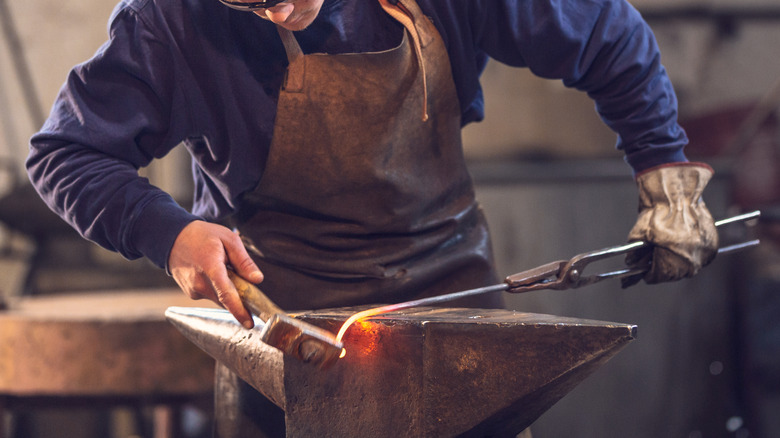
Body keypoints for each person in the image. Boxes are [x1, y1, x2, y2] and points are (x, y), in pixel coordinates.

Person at [26, 0, 718, 330]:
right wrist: (165, 231)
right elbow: (65, 153)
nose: (284, 11)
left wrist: (664, 177)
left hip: (452, 288)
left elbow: (610, 37)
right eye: (253, 1)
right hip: (284, 319)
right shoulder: (167, 23)